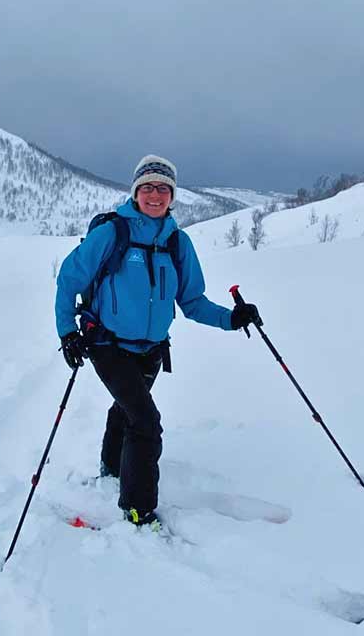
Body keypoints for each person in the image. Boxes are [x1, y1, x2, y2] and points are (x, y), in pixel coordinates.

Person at [54, 155, 262, 530]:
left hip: (151, 350)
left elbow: (193, 301)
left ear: (172, 196)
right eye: (147, 187)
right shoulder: (112, 233)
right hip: (108, 344)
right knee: (146, 422)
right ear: (135, 193)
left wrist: (232, 319)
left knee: (126, 410)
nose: (154, 194)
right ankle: (138, 509)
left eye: (162, 188)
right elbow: (69, 280)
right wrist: (67, 332)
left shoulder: (177, 244)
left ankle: (111, 468)